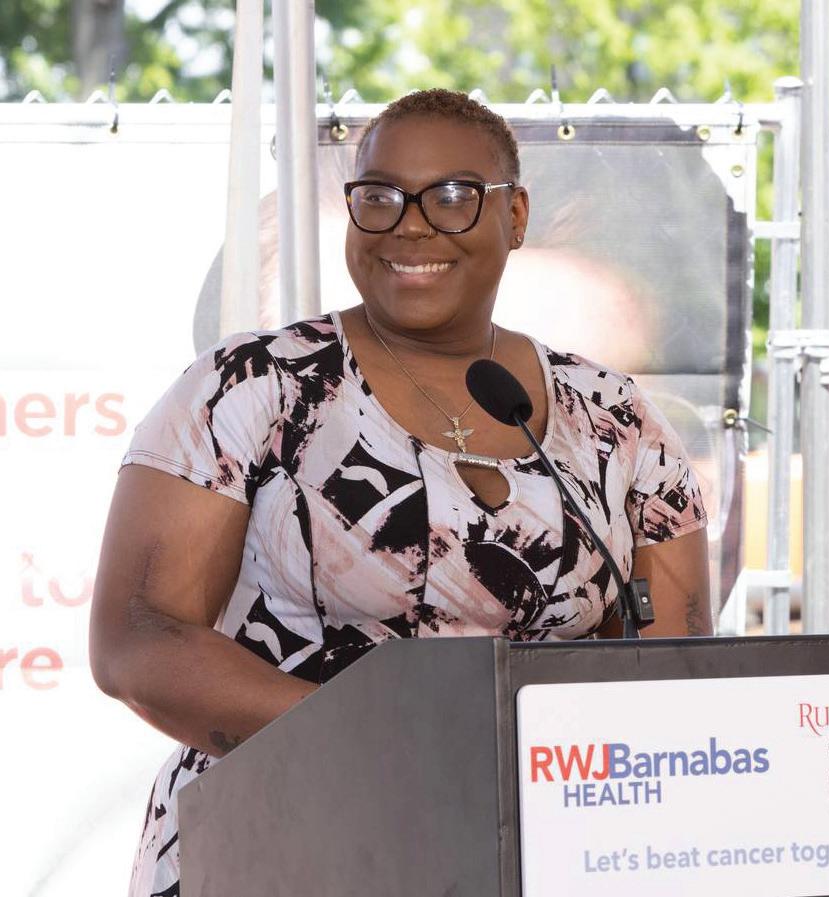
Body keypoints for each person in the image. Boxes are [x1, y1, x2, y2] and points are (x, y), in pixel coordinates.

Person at [89, 88, 710, 896]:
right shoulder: (253, 387)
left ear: (514, 215)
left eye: (451, 196)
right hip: (283, 847)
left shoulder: (613, 417)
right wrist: (400, 747)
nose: (409, 225)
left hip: (531, 853)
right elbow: (136, 638)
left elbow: (676, 668)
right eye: (379, 195)